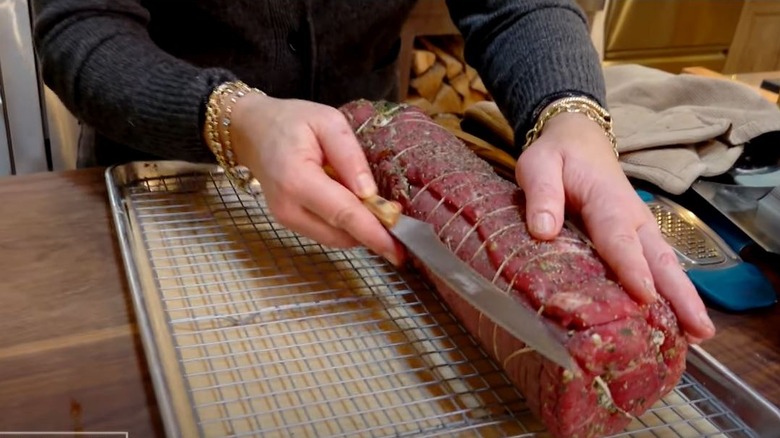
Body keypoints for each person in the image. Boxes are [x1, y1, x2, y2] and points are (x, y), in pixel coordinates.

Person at [31, 0, 715, 342]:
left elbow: (516, 4)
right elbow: (79, 25)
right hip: (165, 190)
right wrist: (233, 117)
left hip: (376, 198)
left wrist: (571, 111)